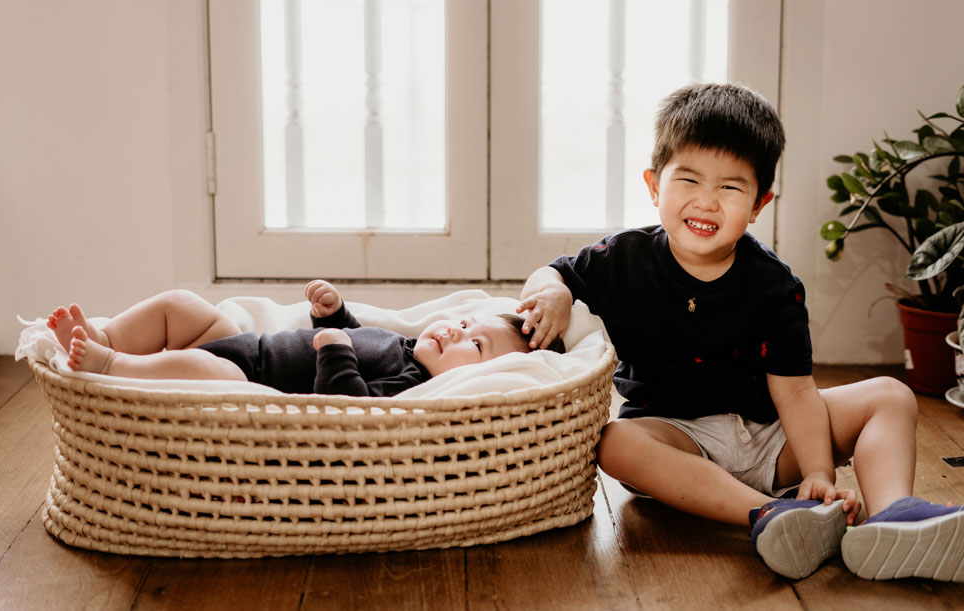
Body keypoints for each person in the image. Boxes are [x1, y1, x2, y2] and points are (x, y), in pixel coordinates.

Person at [516, 82, 964, 582]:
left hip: (773, 438)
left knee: (890, 394)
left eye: (730, 188)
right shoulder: (622, 259)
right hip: (676, 438)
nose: (706, 202)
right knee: (615, 443)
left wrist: (817, 471)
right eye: (688, 180)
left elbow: (794, 392)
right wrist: (552, 291)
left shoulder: (773, 285)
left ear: (758, 204)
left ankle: (891, 516)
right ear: (653, 185)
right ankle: (767, 514)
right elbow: (553, 273)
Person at [47, 280, 564, 397]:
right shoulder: (407, 349)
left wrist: (335, 348)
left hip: (249, 377)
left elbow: (346, 405)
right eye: (468, 325)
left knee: (213, 372)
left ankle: (112, 364)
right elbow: (358, 340)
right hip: (243, 341)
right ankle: (107, 332)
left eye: (474, 347)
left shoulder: (410, 387)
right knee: (182, 306)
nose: (457, 330)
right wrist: (334, 316)